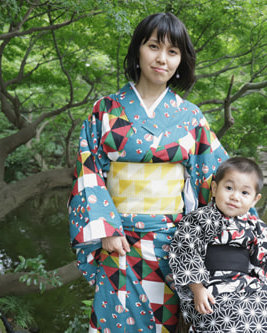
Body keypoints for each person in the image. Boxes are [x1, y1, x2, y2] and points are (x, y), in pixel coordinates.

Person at [68, 12, 228, 333]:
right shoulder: (105, 110)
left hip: (171, 244)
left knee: (165, 323)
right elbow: (89, 173)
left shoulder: (190, 117)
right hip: (118, 240)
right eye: (153, 46)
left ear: (181, 60)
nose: (161, 59)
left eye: (172, 52)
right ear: (137, 52)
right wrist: (107, 230)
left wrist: (240, 223)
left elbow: (214, 180)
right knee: (115, 321)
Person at [169, 157, 267, 333]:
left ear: (254, 200)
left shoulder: (256, 226)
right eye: (229, 188)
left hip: (245, 287)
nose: (235, 197)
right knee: (236, 317)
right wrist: (197, 289)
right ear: (214, 189)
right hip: (209, 289)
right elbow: (185, 252)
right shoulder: (198, 219)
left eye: (245, 193)